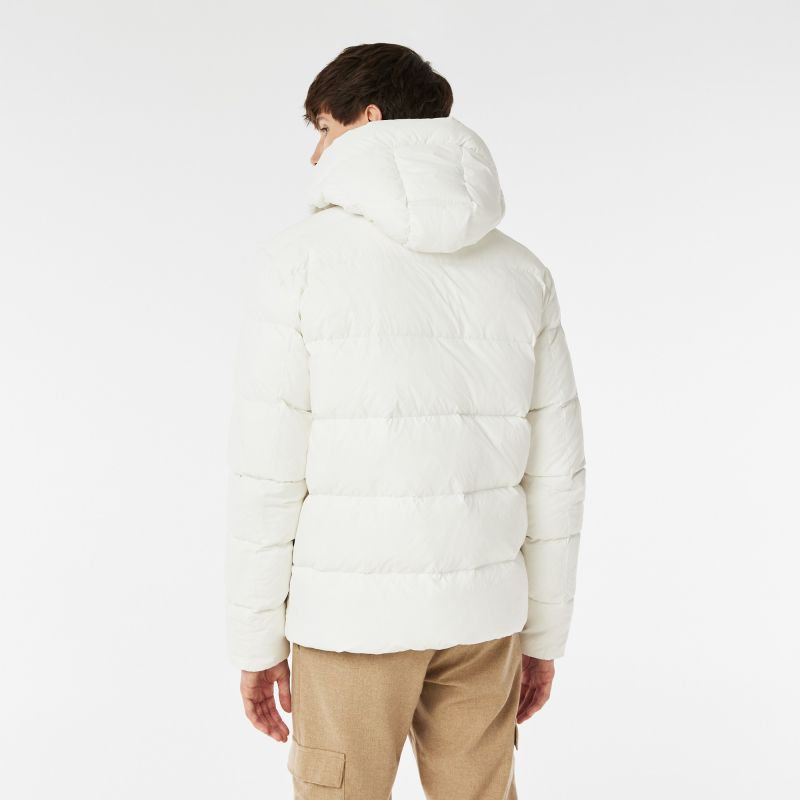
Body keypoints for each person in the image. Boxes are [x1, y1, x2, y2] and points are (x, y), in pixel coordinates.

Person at [224, 42, 587, 800]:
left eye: (324, 129)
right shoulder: (522, 271)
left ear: (368, 119)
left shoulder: (298, 262)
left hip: (349, 623)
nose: (316, 153)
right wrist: (542, 634)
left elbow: (269, 473)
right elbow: (557, 474)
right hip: (484, 618)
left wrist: (256, 640)